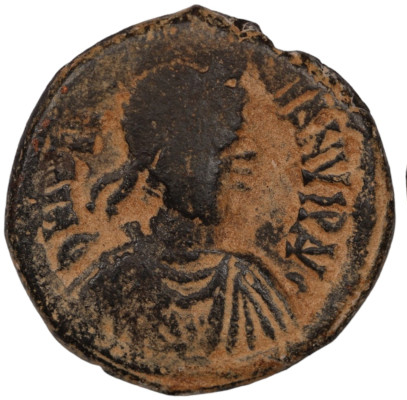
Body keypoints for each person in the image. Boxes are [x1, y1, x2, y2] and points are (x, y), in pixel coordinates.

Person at [78, 56, 292, 361]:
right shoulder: (112, 283)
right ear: (184, 161)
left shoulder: (246, 287)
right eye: (224, 146)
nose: (243, 156)